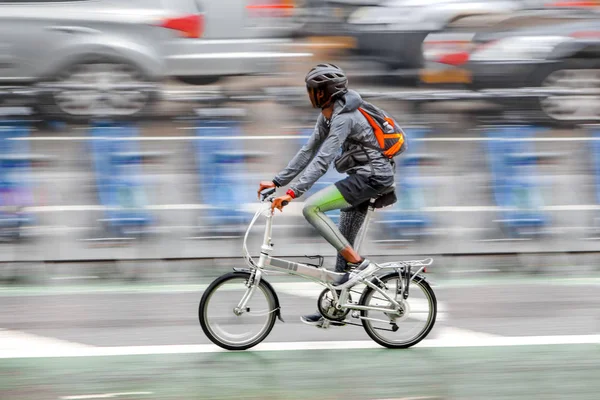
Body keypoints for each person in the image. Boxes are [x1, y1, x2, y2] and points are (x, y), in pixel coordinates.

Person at [257, 63, 396, 326]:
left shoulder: (344, 118)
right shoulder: (329, 115)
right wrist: (277, 181)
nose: (310, 95)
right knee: (342, 242)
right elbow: (308, 151)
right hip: (362, 178)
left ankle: (361, 264)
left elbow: (322, 161)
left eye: (314, 90)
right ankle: (337, 310)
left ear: (326, 92)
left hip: (372, 177)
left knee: (312, 208)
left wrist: (292, 192)